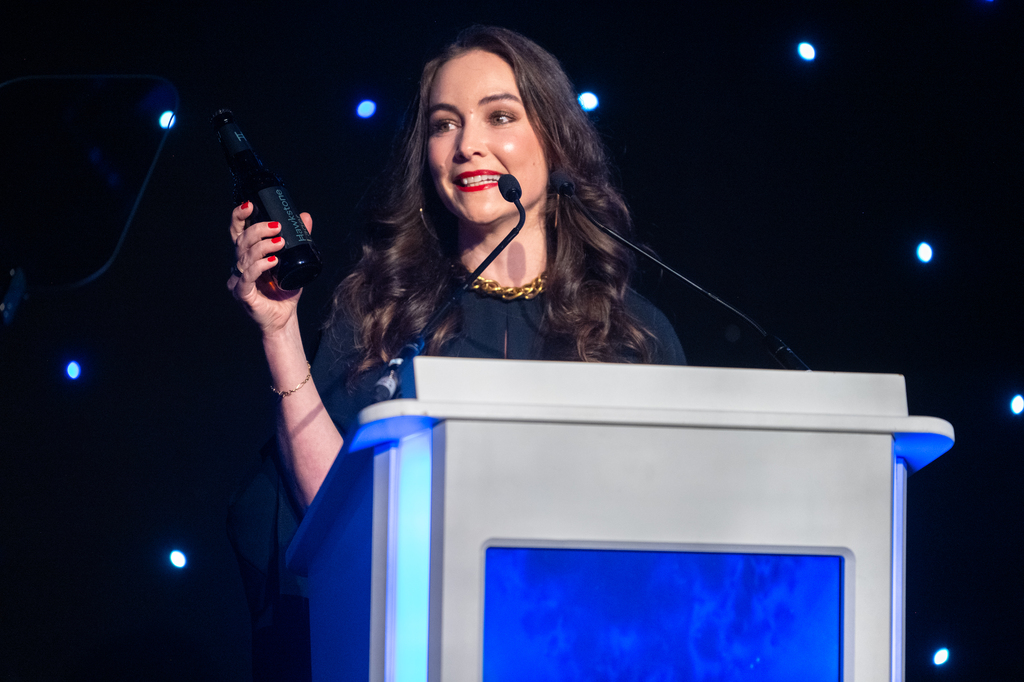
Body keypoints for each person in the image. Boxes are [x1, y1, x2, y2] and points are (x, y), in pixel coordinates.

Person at [226, 25, 684, 679]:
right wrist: (279, 330)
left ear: (555, 137)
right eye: (445, 124)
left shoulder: (632, 335)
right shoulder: (381, 311)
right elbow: (330, 513)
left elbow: (672, 538)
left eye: (499, 116)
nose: (467, 144)